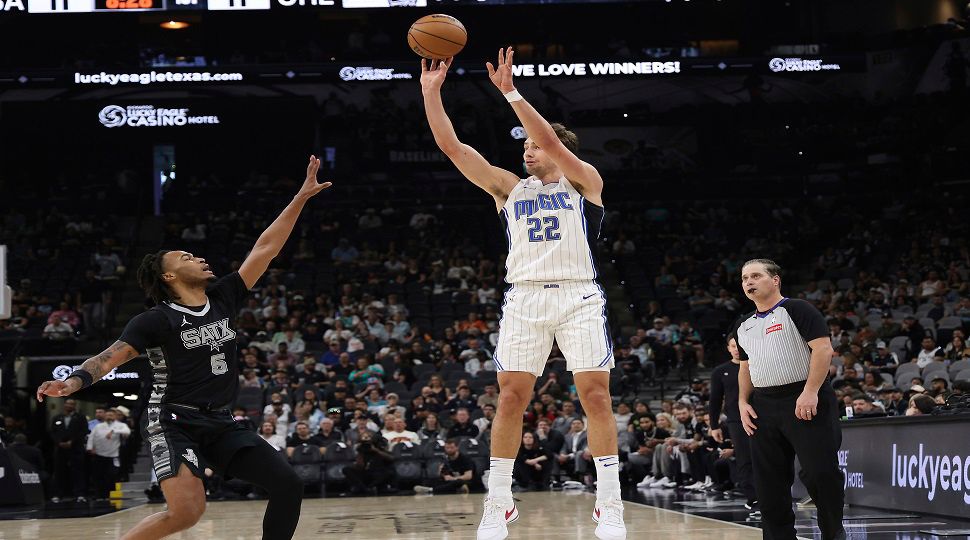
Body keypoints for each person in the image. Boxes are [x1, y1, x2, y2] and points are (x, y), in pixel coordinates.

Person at [35, 156, 331, 540]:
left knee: (288, 484)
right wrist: (73, 382)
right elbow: (110, 357)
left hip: (220, 420)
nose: (199, 258)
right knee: (188, 512)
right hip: (173, 420)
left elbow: (266, 247)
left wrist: (300, 198)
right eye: (186, 257)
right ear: (169, 276)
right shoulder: (155, 320)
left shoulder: (223, 297)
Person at [421, 49, 624, 540]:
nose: (527, 152)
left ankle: (609, 501)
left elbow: (552, 138)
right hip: (525, 299)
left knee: (595, 397)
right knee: (511, 398)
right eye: (525, 147)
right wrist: (431, 94)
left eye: (533, 146)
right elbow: (454, 148)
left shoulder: (584, 182)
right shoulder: (510, 189)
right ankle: (499, 500)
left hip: (579, 297)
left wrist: (511, 91)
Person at [733, 259, 845, 540]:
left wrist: (810, 392)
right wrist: (743, 403)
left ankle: (834, 533)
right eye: (745, 278)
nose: (749, 282)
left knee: (821, 474)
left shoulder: (797, 309)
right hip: (763, 405)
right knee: (769, 485)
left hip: (805, 398)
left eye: (756, 276)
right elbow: (745, 367)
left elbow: (823, 350)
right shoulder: (743, 325)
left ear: (775, 280)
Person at [709, 335, 758, 515]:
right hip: (736, 420)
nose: (736, 349)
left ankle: (769, 496)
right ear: (728, 348)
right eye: (733, 346)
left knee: (764, 458)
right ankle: (753, 497)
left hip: (761, 416)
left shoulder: (755, 364)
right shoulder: (720, 371)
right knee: (745, 458)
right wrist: (714, 425)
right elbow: (714, 400)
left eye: (739, 345)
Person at [87, 408, 131, 500]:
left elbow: (127, 432)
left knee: (111, 475)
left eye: (111, 415)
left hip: (113, 455)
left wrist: (113, 431)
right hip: (99, 454)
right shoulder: (98, 426)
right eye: (107, 415)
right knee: (99, 476)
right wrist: (90, 448)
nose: (109, 417)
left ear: (115, 416)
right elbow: (92, 437)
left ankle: (109, 495)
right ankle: (100, 495)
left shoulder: (120, 425)